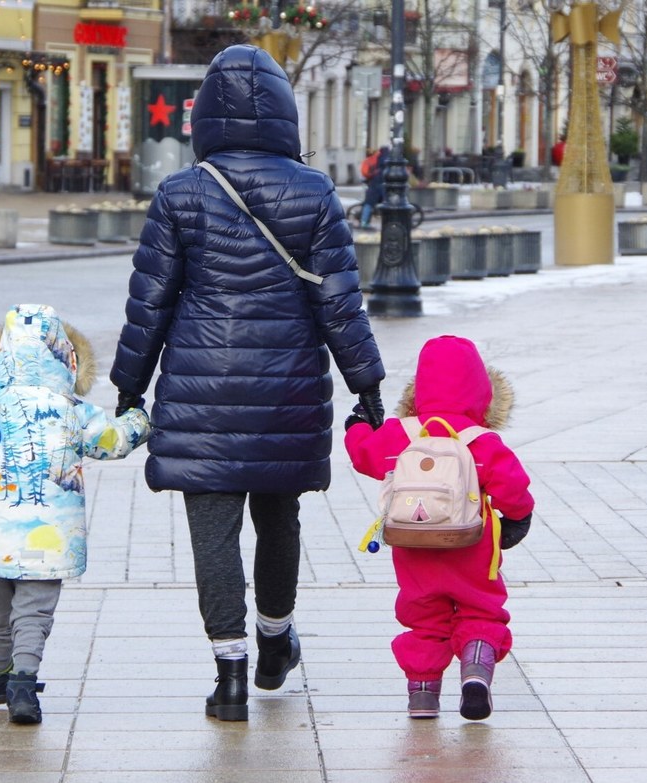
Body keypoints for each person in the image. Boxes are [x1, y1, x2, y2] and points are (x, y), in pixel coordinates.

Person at [110, 44, 386, 723]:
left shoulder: (180, 192)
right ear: (286, 114)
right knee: (278, 518)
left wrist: (128, 385)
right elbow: (340, 303)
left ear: (204, 114)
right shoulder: (315, 192)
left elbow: (151, 301)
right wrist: (366, 383)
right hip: (286, 388)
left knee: (212, 529)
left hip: (200, 392)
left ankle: (228, 671)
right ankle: (273, 640)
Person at [0, 304, 150, 725]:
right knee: (34, 612)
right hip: (49, 538)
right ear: (66, 360)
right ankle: (24, 687)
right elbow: (112, 441)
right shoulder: (73, 411)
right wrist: (140, 419)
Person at [343, 335, 534, 721]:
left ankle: (423, 695)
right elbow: (513, 485)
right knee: (481, 610)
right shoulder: (480, 440)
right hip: (470, 545)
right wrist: (517, 519)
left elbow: (365, 456)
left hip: (413, 546)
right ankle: (476, 673)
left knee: (424, 618)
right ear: (483, 391)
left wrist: (357, 427)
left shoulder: (404, 433)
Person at [359, 145, 390, 229]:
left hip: (373, 184)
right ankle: (387, 223)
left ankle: (364, 221)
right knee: (387, 204)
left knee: (369, 204)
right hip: (381, 185)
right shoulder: (387, 160)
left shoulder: (374, 159)